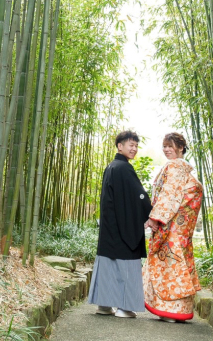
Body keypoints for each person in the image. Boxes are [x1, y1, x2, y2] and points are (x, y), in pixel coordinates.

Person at [87, 130, 152, 318]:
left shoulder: (111, 167)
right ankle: (124, 307)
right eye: (131, 145)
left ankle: (104, 305)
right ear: (120, 146)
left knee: (108, 262)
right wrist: (150, 213)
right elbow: (139, 195)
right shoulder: (124, 168)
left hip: (110, 226)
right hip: (123, 227)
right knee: (127, 264)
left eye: (136, 146)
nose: (134, 149)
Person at [143, 132, 204, 322]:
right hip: (182, 228)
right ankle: (179, 310)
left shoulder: (175, 167)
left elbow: (169, 197)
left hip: (172, 226)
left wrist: (155, 218)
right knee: (179, 264)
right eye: (164, 146)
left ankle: (170, 309)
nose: (166, 149)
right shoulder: (185, 170)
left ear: (181, 147)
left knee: (169, 264)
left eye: (170, 146)